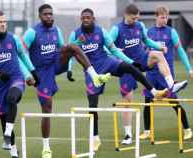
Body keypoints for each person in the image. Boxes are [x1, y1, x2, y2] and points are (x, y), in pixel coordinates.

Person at [68, 8, 169, 151]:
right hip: (92, 70)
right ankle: (95, 138)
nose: (85, 20)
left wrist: (131, 62)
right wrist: (69, 69)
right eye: (83, 18)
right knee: (92, 104)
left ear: (93, 18)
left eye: (88, 17)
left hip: (107, 62)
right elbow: (70, 52)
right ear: (81, 19)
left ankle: (154, 92)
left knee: (130, 68)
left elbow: (114, 50)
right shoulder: (75, 34)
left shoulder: (101, 31)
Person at [22, 4, 110, 158]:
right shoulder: (32, 32)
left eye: (51, 14)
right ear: (40, 16)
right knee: (47, 109)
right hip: (41, 72)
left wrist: (77, 43)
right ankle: (46, 147)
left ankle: (94, 76)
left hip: (55, 63)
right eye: (45, 14)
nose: (49, 16)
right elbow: (20, 53)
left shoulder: (56, 30)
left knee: (72, 47)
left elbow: (62, 48)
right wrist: (27, 74)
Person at [109, 4, 188, 145]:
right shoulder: (116, 29)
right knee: (127, 100)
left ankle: (171, 85)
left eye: (138, 17)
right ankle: (128, 135)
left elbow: (146, 40)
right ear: (126, 15)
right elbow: (107, 45)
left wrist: (159, 47)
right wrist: (114, 52)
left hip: (142, 59)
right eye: (134, 18)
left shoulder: (139, 26)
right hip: (127, 66)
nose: (136, 20)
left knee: (158, 55)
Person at [0, 10, 37, 158]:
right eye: (0, 21)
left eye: (5, 21)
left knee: (12, 98)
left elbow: (23, 55)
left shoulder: (13, 38)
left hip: (16, 79)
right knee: (4, 118)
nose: (3, 24)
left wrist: (32, 72)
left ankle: (7, 133)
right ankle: (14, 152)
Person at [140, 5, 193, 140]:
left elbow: (180, 50)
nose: (165, 19)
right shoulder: (148, 32)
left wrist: (189, 68)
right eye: (162, 17)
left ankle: (187, 129)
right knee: (148, 102)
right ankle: (147, 131)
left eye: (166, 17)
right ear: (156, 17)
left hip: (166, 74)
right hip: (151, 74)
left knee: (174, 102)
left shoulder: (172, 32)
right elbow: (143, 52)